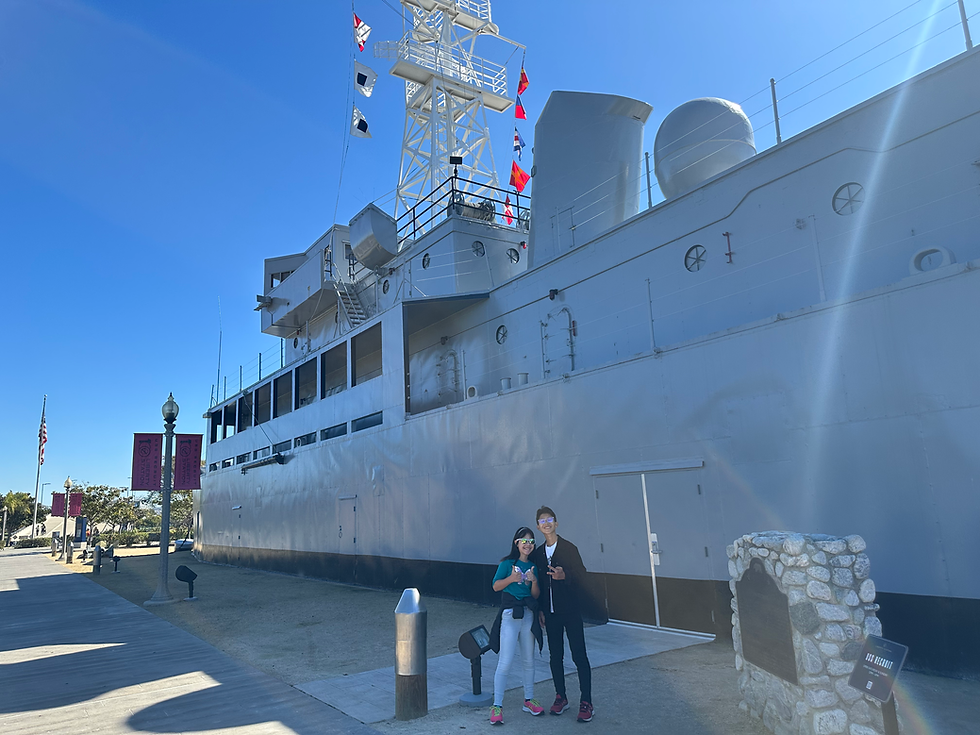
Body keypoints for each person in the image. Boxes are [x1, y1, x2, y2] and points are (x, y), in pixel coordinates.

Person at [530, 506, 594, 722]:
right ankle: (561, 697)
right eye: (541, 520)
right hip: (550, 613)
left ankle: (586, 702)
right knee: (555, 656)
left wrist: (565, 575)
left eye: (550, 519)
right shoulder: (538, 554)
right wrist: (540, 609)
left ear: (556, 523)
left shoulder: (569, 548)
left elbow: (582, 576)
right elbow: (537, 583)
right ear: (538, 526)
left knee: (579, 655)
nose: (546, 523)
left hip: (571, 611)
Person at [487, 526, 544, 725]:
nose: (527, 545)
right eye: (524, 541)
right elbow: (495, 586)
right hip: (511, 615)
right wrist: (511, 578)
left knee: (529, 659)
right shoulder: (507, 563)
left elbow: (535, 595)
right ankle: (497, 705)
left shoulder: (533, 567)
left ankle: (528, 700)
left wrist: (534, 580)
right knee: (506, 661)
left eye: (531, 541)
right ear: (516, 543)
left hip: (528, 614)